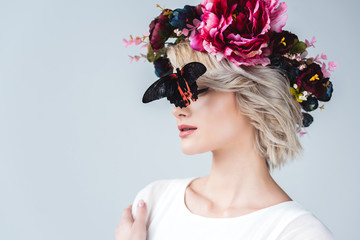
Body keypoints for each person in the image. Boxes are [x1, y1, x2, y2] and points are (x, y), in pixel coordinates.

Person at [117, 0, 336, 239]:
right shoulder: (153, 202)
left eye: (197, 91)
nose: (177, 110)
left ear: (252, 93)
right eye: (175, 94)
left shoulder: (298, 233)